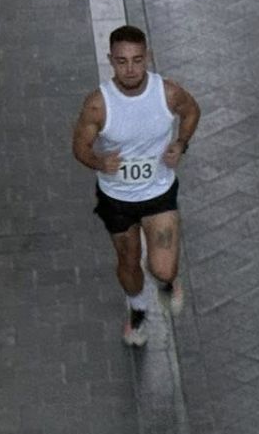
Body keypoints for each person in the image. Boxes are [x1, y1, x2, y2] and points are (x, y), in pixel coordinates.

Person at [70, 25, 202, 346]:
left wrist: (181, 144)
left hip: (158, 193)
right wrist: (101, 163)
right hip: (117, 199)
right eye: (122, 61)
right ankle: (138, 308)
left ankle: (167, 282)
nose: (130, 69)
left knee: (163, 268)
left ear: (148, 58)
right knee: (128, 262)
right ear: (110, 61)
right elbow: (80, 148)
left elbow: (191, 111)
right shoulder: (98, 105)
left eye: (137, 60)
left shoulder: (167, 93)